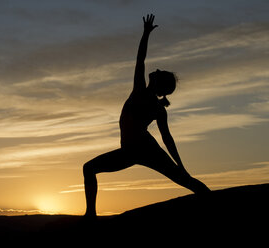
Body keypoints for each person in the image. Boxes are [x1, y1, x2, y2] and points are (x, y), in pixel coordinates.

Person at [83, 14, 210, 218]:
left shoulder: (143, 93)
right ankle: (90, 214)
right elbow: (167, 139)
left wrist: (145, 34)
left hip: (142, 149)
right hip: (134, 150)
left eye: (159, 72)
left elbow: (140, 59)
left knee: (185, 179)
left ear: (159, 84)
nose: (156, 69)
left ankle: (90, 215)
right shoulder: (152, 102)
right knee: (89, 169)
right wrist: (180, 166)